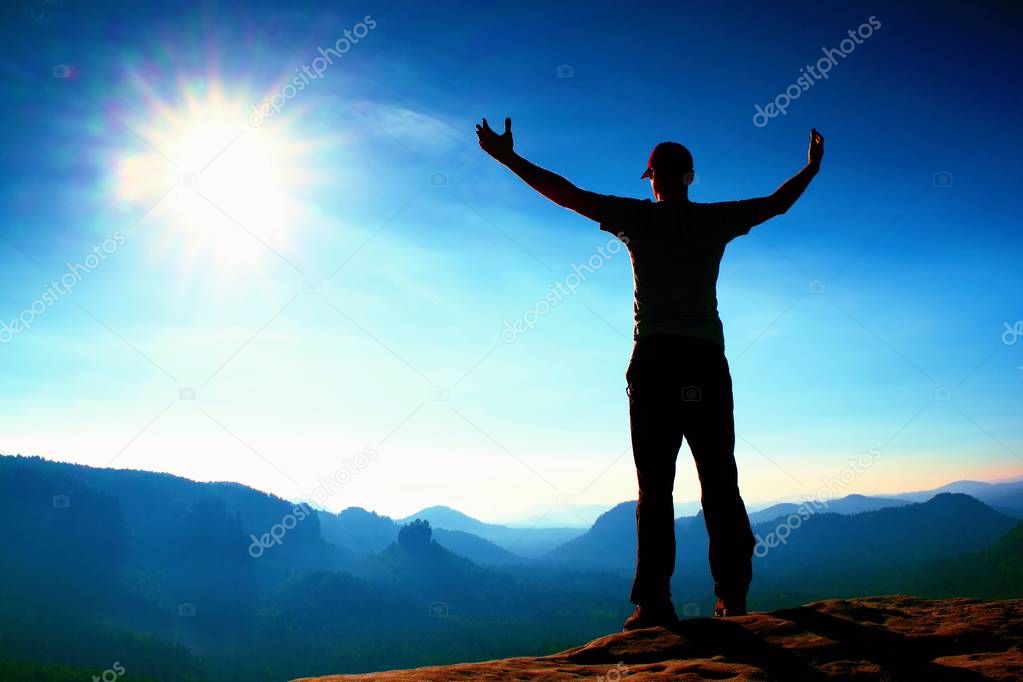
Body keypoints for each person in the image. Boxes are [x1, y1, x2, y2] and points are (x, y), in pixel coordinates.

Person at [477, 117, 824, 630]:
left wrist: (509, 159)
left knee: (655, 487)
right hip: (705, 362)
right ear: (689, 177)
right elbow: (776, 203)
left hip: (656, 362)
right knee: (719, 482)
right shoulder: (714, 221)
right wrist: (811, 168)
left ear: (655, 179)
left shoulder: (637, 219)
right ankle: (731, 597)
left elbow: (568, 195)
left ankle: (655, 603)